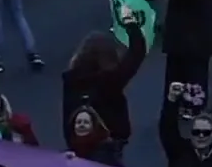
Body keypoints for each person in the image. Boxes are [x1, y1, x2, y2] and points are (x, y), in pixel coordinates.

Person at [61, 13, 150, 151]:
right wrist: (131, 24)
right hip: (109, 143)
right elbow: (136, 53)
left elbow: (67, 115)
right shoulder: (109, 80)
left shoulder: (71, 80)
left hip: (79, 144)